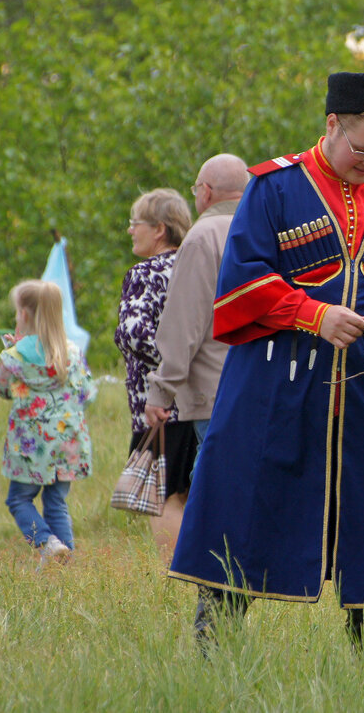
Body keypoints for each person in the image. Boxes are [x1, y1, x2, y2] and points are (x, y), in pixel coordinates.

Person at [167, 72, 364, 675]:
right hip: (272, 389)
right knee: (242, 510)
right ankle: (214, 652)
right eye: (360, 149)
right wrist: (311, 313)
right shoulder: (272, 189)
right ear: (331, 126)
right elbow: (239, 283)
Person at [142, 155, 247, 550]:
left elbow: (184, 321)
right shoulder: (263, 229)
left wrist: (161, 389)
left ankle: (210, 574)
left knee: (210, 495)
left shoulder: (204, 237)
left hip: (211, 390)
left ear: (205, 192)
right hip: (261, 386)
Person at [114, 188, 198, 555]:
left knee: (163, 497)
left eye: (135, 224)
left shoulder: (144, 273)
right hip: (205, 400)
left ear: (159, 229)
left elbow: (133, 332)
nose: (131, 231)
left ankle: (177, 575)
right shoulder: (200, 265)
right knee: (191, 492)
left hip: (160, 405)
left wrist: (170, 369)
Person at [0, 280, 94, 566]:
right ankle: (64, 563)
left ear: (24, 315)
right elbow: (87, 392)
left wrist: (14, 354)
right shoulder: (71, 352)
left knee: (19, 500)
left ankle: (48, 544)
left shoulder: (14, 357)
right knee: (56, 503)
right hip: (68, 441)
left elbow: (1, 389)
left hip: (32, 445)